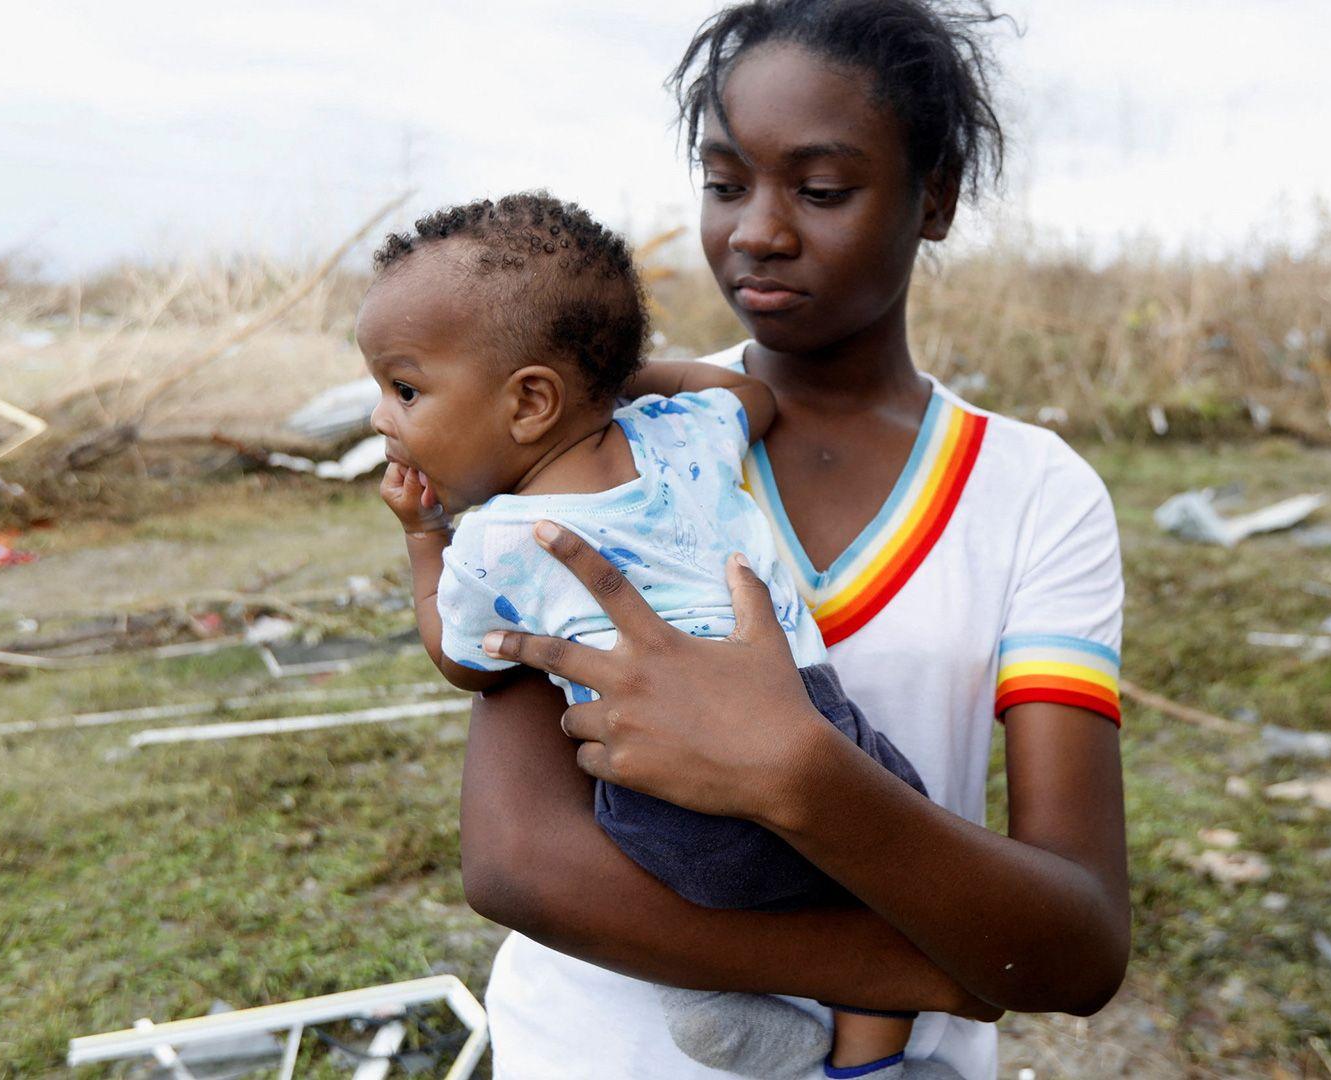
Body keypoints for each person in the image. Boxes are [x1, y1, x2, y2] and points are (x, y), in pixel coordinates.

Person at [463, 2, 1131, 1077]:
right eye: (725, 183)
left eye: (820, 189)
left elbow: (1080, 941)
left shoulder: (1035, 495)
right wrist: (917, 967)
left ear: (938, 198)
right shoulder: (606, 441)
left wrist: (798, 769)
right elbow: (516, 862)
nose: (758, 229)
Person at [365, 190, 954, 1078]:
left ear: (531, 403)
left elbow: (463, 664)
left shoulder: (497, 544)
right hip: (824, 744)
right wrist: (621, 378)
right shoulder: (685, 434)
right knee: (874, 910)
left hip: (673, 812)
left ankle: (713, 995)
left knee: (671, 895)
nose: (381, 418)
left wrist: (423, 541)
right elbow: (751, 396)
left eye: (404, 389)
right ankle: (869, 1064)